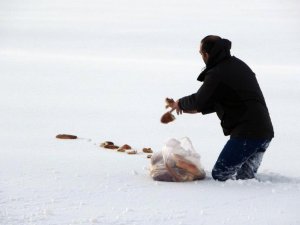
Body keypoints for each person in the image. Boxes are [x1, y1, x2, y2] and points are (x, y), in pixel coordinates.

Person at [169, 35, 274, 181]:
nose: (201, 56)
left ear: (206, 54)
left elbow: (200, 100)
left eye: (201, 53)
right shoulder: (236, 65)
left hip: (247, 134)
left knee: (221, 174)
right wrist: (194, 108)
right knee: (244, 178)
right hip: (263, 133)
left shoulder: (218, 72)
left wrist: (179, 103)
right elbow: (221, 100)